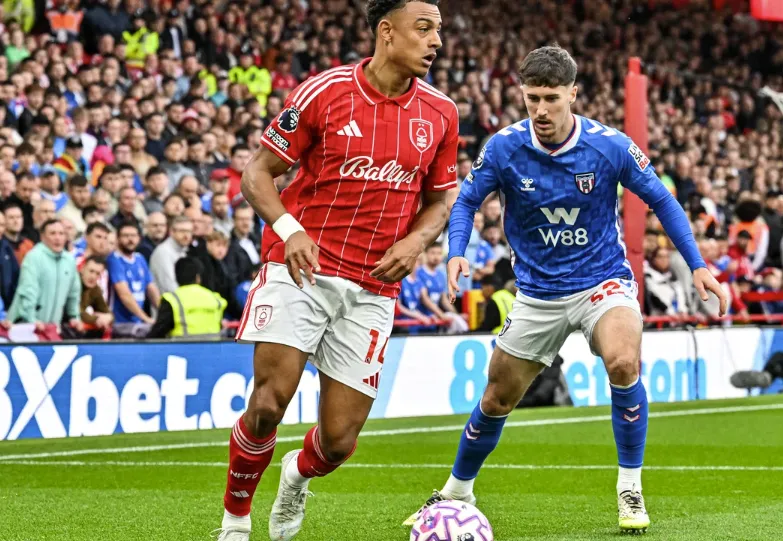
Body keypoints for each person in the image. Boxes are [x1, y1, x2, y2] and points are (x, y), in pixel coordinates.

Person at [404, 46, 727, 534]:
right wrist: (455, 252)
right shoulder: (504, 148)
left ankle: (630, 486)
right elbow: (466, 201)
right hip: (537, 293)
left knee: (623, 362)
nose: (540, 109)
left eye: (551, 98)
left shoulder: (609, 146)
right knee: (496, 398)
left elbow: (662, 199)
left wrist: (698, 266)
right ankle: (455, 491)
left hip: (602, 281)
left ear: (572, 94)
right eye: (532, 98)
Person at [214, 0, 458, 539]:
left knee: (339, 442)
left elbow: (442, 199)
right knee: (268, 404)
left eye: (438, 30)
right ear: (386, 32)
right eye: (423, 29)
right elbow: (257, 173)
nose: (436, 41)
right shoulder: (324, 92)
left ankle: (296, 476)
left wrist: (416, 240)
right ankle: (235, 521)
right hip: (301, 269)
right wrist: (290, 230)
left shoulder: (441, 112)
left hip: (373, 287)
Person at [7, 219, 83, 328]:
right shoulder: (34, 257)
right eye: (52, 233)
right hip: (25, 325)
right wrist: (31, 320)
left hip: (52, 327)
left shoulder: (69, 260)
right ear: (42, 237)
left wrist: (74, 316)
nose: (57, 238)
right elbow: (28, 291)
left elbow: (74, 293)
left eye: (61, 233)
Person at [147, 256, 227, 338]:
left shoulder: (172, 300)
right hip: (213, 346)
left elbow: (158, 333)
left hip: (181, 346)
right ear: (198, 278)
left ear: (176, 277)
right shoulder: (216, 299)